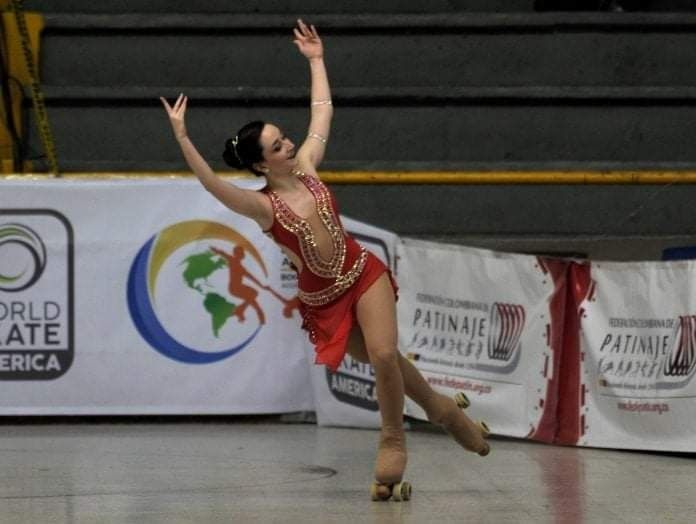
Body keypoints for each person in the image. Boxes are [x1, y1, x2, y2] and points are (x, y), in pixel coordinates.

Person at [161, 19, 490, 502]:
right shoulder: (262, 206)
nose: (289, 145)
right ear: (260, 165)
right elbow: (213, 185)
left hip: (363, 274)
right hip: (324, 302)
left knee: (382, 355)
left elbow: (322, 112)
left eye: (284, 137)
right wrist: (183, 138)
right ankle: (445, 412)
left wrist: (316, 60)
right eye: (277, 146)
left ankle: (392, 440)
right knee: (391, 363)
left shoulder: (308, 167)